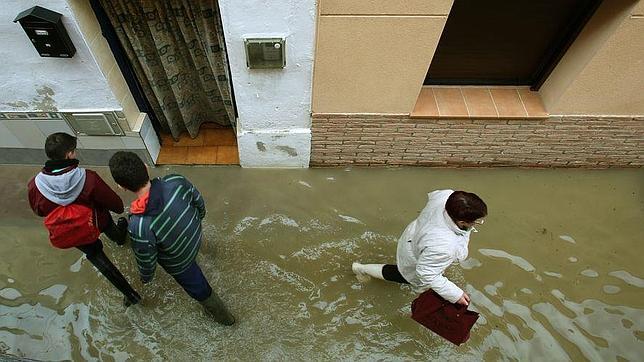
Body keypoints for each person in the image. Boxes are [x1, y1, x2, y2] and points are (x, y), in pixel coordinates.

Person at [108, 151, 235, 325]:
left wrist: (146, 278)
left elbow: (147, 260)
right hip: (195, 235)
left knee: (201, 290)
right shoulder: (176, 181)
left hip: (180, 263)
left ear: (121, 186)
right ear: (146, 167)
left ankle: (226, 320)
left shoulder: (139, 225)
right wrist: (198, 220)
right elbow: (198, 202)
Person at [28, 132, 141, 307]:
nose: (75, 154)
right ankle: (120, 238)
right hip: (99, 221)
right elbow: (116, 205)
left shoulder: (36, 185)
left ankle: (130, 295)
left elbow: (39, 211)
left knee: (95, 255)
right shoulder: (88, 178)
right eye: (74, 151)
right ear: (68, 155)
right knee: (114, 231)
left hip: (73, 231)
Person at [352, 190, 487, 306]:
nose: (478, 223)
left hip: (414, 237)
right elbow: (426, 273)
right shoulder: (443, 246)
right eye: (477, 221)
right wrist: (455, 294)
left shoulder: (447, 196)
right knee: (402, 275)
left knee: (418, 273)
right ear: (461, 222)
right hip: (416, 255)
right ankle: (360, 269)